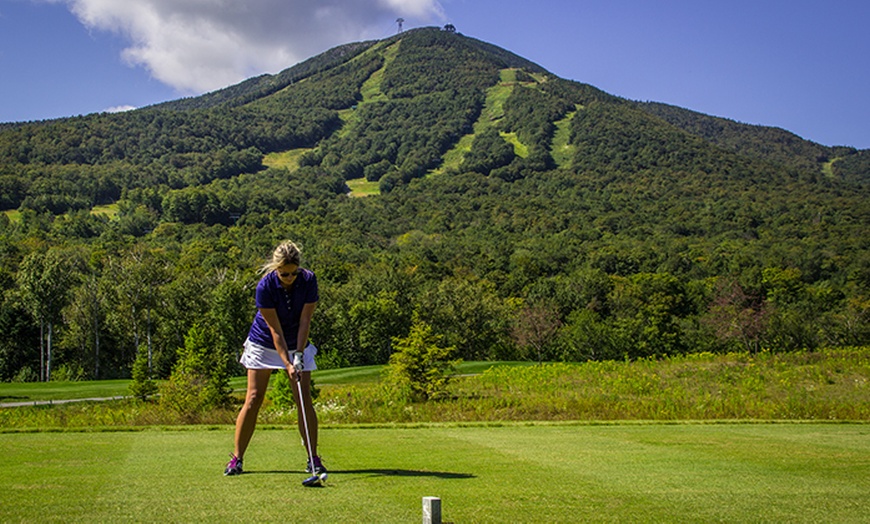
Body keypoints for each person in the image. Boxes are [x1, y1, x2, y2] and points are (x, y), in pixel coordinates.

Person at [224, 240, 326, 476]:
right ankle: (237, 458)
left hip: (296, 341)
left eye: (292, 273)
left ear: (298, 268)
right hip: (264, 342)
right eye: (283, 274)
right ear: (275, 268)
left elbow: (305, 321)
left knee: (303, 399)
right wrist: (287, 363)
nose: (288, 278)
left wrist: (298, 355)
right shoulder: (265, 286)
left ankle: (313, 458)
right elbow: (275, 330)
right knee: (253, 397)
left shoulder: (309, 280)